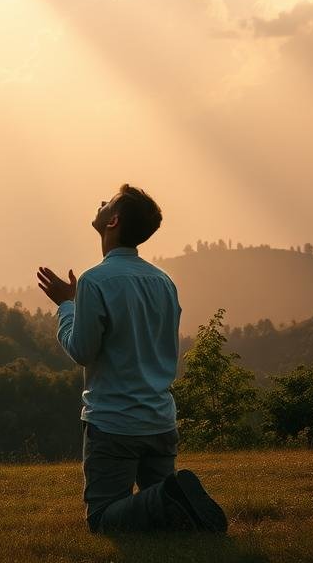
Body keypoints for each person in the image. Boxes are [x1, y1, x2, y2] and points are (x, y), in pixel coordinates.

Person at [37, 184, 227, 535]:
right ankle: (173, 498)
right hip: (160, 420)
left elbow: (81, 351)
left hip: (113, 424)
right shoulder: (164, 281)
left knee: (102, 520)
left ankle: (170, 498)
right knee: (167, 519)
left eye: (107, 202)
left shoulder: (95, 281)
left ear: (114, 220)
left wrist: (67, 306)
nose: (100, 202)